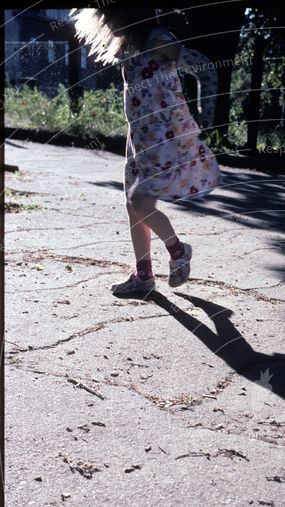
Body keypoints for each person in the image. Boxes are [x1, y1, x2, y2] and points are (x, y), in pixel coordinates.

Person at [71, 8, 222, 299]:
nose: (106, 24)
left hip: (164, 136)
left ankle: (178, 251)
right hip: (138, 137)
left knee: (140, 204)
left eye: (109, 17)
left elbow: (205, 67)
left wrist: (207, 114)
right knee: (132, 205)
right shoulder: (128, 44)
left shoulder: (157, 39)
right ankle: (143, 276)